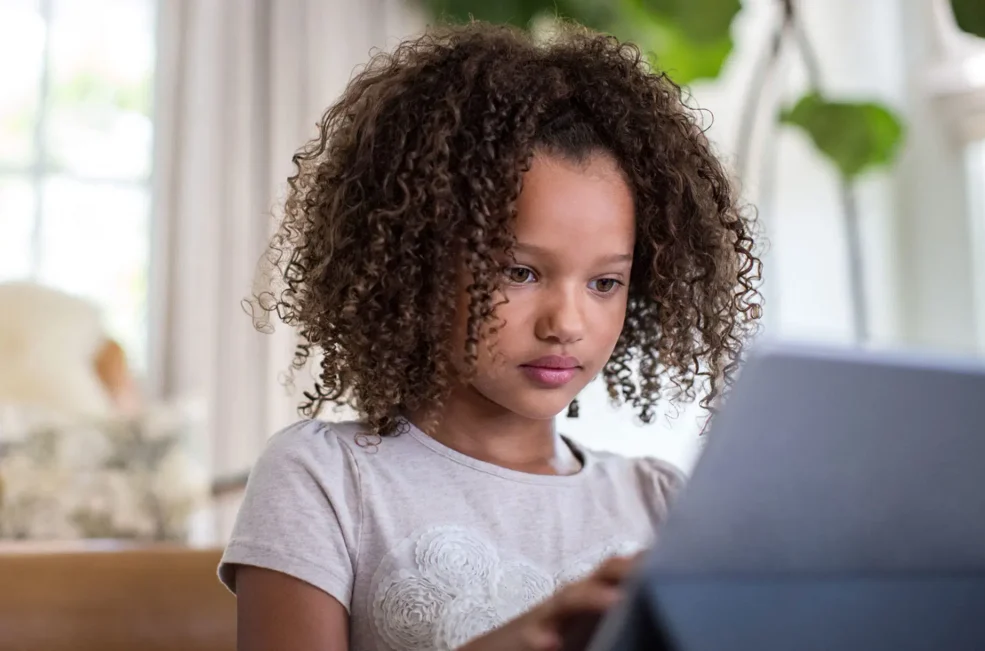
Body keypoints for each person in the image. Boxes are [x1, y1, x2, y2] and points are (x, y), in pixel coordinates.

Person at [218, 20, 761, 651]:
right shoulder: (324, 478)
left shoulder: (660, 501)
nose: (567, 323)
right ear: (414, 261)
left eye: (606, 283)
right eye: (520, 272)